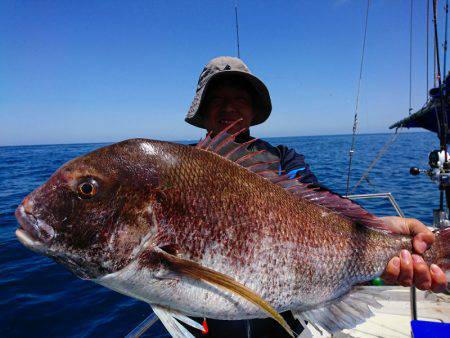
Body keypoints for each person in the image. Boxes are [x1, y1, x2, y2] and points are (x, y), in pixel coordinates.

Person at [184, 56, 448, 337]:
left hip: (289, 314)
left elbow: (317, 197)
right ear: (202, 107)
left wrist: (377, 227)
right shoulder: (182, 167)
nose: (229, 107)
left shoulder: (283, 159)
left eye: (240, 98)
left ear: (253, 109)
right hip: (213, 317)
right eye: (217, 99)